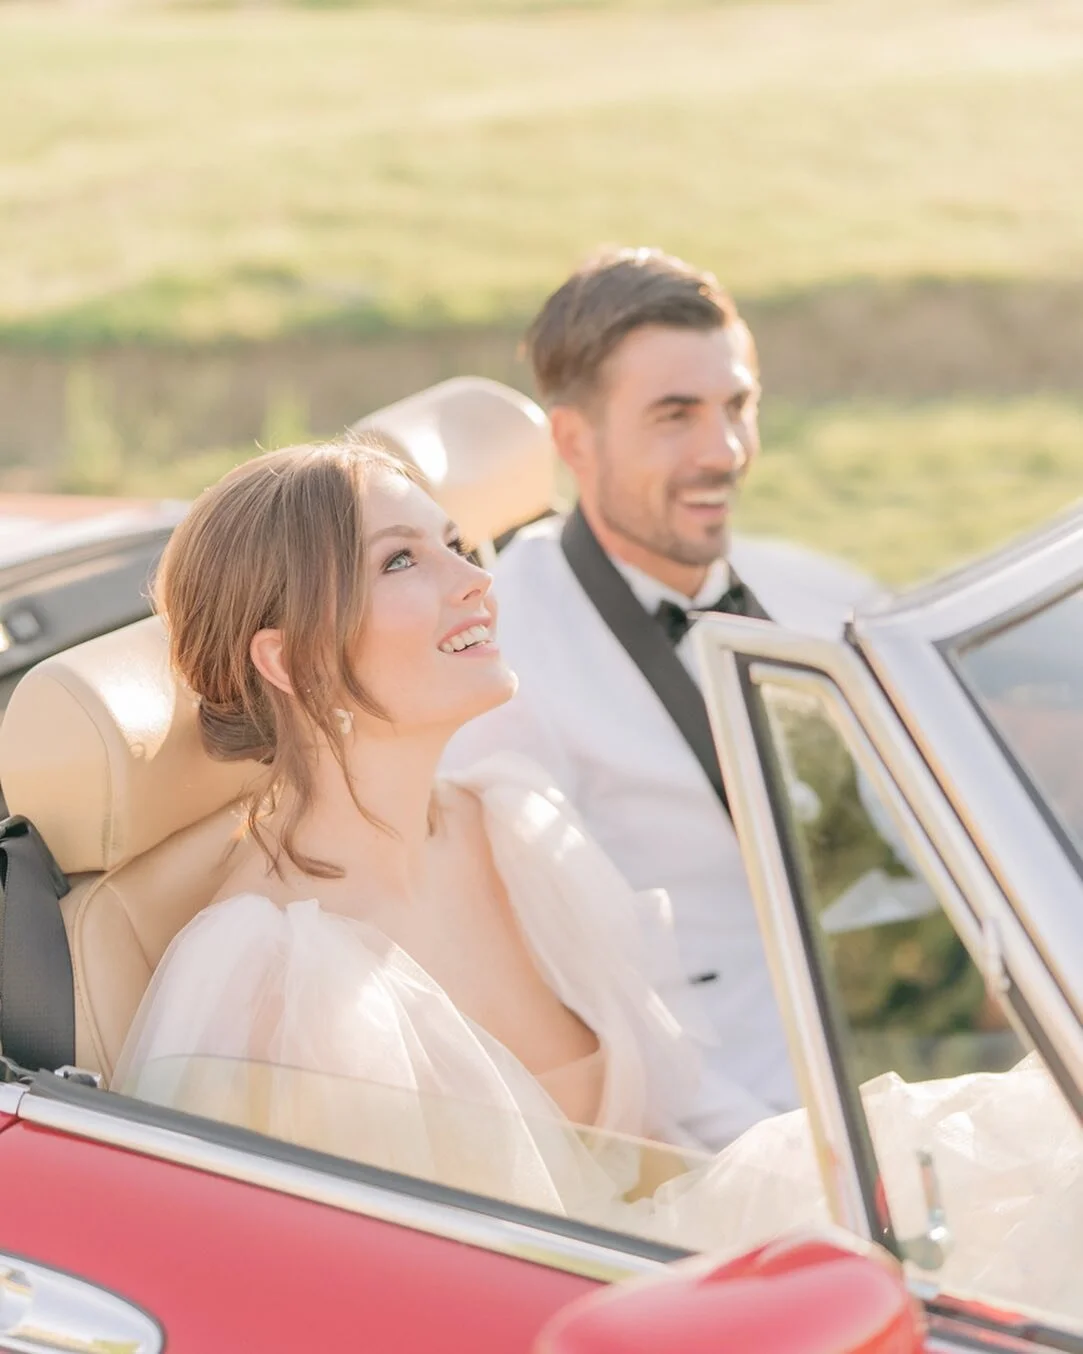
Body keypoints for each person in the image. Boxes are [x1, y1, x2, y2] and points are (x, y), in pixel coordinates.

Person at [112, 439, 1083, 1316]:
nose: (473, 580)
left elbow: (674, 1112)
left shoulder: (509, 818)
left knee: (1026, 1154)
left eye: (458, 543)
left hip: (674, 1255)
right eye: (403, 560)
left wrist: (830, 1189)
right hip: (558, 1325)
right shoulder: (267, 970)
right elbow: (316, 1305)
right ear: (283, 657)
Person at [444, 247, 879, 1142]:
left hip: (891, 1035)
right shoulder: (502, 670)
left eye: (737, 407)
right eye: (675, 416)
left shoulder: (822, 596)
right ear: (574, 442)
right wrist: (784, 1169)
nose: (723, 451)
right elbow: (572, 1006)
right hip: (740, 1117)